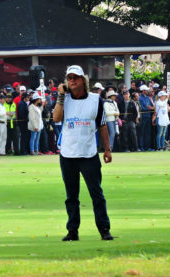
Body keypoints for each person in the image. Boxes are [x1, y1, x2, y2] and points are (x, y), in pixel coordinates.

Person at [53, 65, 113, 241]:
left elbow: (102, 126)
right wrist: (60, 95)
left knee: (97, 194)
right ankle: (72, 231)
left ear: (83, 80)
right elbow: (56, 118)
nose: (72, 80)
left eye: (76, 77)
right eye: (69, 77)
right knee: (71, 196)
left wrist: (107, 149)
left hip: (89, 154)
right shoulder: (64, 99)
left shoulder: (96, 100)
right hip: (68, 154)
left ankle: (104, 229)